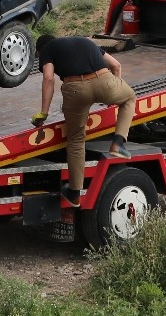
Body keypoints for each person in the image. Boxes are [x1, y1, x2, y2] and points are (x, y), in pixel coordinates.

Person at [32, 34, 134, 202]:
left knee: (76, 140)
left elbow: (48, 78)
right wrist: (113, 95)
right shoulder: (84, 41)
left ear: (38, 50)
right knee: (129, 98)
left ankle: (74, 193)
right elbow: (116, 65)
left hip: (75, 90)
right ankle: (118, 143)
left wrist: (44, 112)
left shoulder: (47, 49)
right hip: (105, 82)